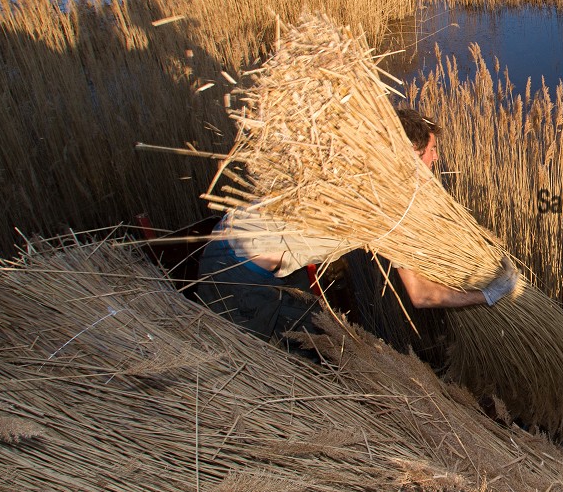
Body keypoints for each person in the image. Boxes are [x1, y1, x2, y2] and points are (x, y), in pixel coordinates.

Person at [197, 107, 518, 342]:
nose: (436, 158)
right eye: (431, 150)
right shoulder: (387, 207)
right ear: (409, 154)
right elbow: (421, 295)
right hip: (235, 269)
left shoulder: (358, 169)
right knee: (272, 356)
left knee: (313, 330)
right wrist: (487, 295)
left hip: (237, 237)